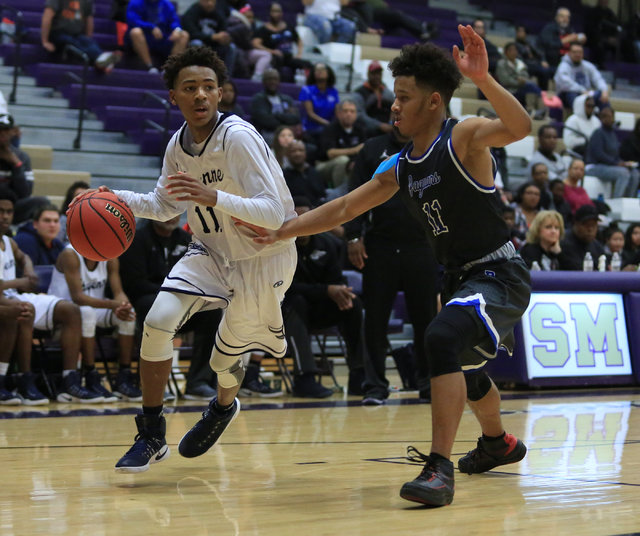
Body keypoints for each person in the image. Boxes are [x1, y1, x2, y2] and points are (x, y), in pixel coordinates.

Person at [235, 26, 532, 507]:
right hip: (457, 276)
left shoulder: (464, 138)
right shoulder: (399, 165)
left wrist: (485, 79)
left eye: (404, 97)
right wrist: (283, 230)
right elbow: (344, 208)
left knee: (438, 340)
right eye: (394, 97)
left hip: (499, 272)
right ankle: (498, 442)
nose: (394, 106)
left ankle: (439, 469)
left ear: (433, 102)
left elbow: (520, 128)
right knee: (468, 372)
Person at [106, 46, 296, 473]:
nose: (200, 95)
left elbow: (275, 214)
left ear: (221, 93)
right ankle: (152, 432)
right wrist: (111, 197)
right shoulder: (177, 146)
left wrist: (215, 197)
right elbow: (163, 205)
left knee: (222, 361)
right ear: (173, 96)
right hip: (209, 250)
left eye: (209, 87)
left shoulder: (239, 137)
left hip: (263, 258)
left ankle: (224, 407)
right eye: (189, 88)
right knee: (156, 321)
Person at [346, 126, 438, 404]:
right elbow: (354, 194)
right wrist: (353, 235)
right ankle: (375, 386)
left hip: (421, 246)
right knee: (374, 319)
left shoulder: (431, 147)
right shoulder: (373, 148)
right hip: (380, 245)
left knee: (426, 319)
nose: (399, 114)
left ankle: (428, 383)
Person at [0, 187, 89, 403]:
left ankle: (70, 380)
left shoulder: (9, 241)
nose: (5, 216)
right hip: (8, 297)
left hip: (11, 296)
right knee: (21, 310)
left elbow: (23, 258)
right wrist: (21, 281)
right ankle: (16, 379)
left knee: (71, 310)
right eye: (1, 211)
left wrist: (28, 269)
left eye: (9, 212)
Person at [118, 215, 220, 399]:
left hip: (180, 300)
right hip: (145, 300)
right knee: (155, 307)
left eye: (175, 214)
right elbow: (135, 284)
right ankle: (153, 385)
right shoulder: (137, 238)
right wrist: (170, 292)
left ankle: (198, 382)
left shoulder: (185, 239)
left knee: (211, 311)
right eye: (166, 212)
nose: (171, 218)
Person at [283, 196, 366, 397]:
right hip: (286, 313)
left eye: (306, 218)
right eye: (296, 220)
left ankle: (360, 375)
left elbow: (337, 281)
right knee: (295, 302)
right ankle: (305, 378)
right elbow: (285, 289)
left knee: (352, 303)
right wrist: (326, 290)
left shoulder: (328, 244)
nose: (301, 224)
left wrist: (340, 292)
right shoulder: (281, 247)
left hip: (319, 309)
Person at [49, 245, 142, 401]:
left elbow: (118, 292)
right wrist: (113, 305)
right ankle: (90, 374)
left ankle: (123, 377)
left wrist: (124, 306)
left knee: (128, 317)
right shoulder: (70, 254)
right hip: (63, 311)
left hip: (94, 307)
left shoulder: (110, 255)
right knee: (87, 312)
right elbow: (78, 297)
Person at [41, 0, 120, 72]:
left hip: (76, 34)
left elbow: (89, 21)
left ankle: (101, 58)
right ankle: (100, 60)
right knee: (70, 41)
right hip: (58, 33)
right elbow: (47, 17)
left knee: (89, 42)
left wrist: (88, 38)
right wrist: (45, 41)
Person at [0, 113, 48, 225]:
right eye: (0, 129)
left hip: (12, 208)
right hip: (7, 202)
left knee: (42, 203)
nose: (2, 134)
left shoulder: (22, 157)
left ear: (13, 132)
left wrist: (16, 165)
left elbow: (25, 193)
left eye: (6, 130)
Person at [316, 98, 367, 198]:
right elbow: (330, 153)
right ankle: (340, 196)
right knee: (343, 160)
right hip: (323, 165)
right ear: (338, 114)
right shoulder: (330, 128)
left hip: (350, 164)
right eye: (345, 111)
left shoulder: (360, 129)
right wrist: (354, 150)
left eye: (352, 111)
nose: (349, 114)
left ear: (356, 114)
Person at [586, 107, 640, 199]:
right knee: (623, 173)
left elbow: (616, 155)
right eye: (606, 117)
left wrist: (624, 163)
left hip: (609, 166)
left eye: (611, 117)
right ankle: (617, 200)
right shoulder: (598, 133)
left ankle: (629, 201)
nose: (610, 119)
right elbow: (599, 155)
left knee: (635, 174)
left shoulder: (612, 134)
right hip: (595, 166)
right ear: (601, 118)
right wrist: (616, 163)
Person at [252, 2, 312, 82]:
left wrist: (299, 54)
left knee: (307, 64)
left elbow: (299, 42)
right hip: (274, 58)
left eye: (278, 11)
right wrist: (271, 51)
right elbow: (255, 43)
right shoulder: (264, 29)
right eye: (274, 11)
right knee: (278, 60)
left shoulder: (289, 27)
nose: (277, 14)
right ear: (269, 13)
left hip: (288, 57)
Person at [126, 0, 189, 72]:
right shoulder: (135, 2)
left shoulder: (166, 3)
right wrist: (151, 27)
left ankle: (170, 69)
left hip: (164, 38)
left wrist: (177, 29)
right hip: (146, 37)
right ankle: (150, 67)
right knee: (135, 32)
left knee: (184, 34)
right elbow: (133, 20)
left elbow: (174, 19)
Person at [181, 0, 236, 75]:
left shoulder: (219, 12)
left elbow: (224, 30)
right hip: (198, 43)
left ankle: (225, 77)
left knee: (231, 47)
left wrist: (225, 38)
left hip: (214, 45)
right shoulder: (192, 12)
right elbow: (192, 33)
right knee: (196, 43)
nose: (209, 3)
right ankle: (197, 74)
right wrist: (212, 37)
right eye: (206, 1)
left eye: (212, 1)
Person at [250, 68, 302, 146]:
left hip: (287, 133)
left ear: (279, 81)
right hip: (266, 135)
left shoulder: (287, 99)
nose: (273, 82)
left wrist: (277, 116)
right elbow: (265, 121)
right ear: (264, 81)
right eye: (269, 79)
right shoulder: (258, 99)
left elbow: (295, 118)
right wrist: (285, 119)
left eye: (275, 79)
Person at [495, 42, 546, 119]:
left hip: (521, 88)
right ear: (506, 52)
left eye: (515, 50)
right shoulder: (501, 64)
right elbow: (505, 80)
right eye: (511, 50)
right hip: (509, 90)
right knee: (531, 87)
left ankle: (535, 110)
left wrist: (522, 79)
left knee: (532, 87)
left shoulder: (520, 63)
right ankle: (535, 110)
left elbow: (525, 75)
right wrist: (518, 81)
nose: (514, 52)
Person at [554, 42, 609, 111]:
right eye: (575, 52)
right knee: (571, 93)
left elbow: (598, 79)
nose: (578, 54)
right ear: (569, 53)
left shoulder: (587, 65)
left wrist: (604, 90)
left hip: (586, 94)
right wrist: (582, 90)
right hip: (567, 96)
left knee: (601, 94)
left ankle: (607, 120)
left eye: (580, 52)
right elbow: (566, 85)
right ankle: (581, 118)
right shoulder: (563, 66)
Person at [352, 61, 395, 137]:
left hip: (387, 131)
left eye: (379, 74)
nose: (377, 76)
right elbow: (359, 115)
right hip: (366, 132)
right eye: (374, 73)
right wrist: (379, 125)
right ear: (368, 74)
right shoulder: (359, 93)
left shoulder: (387, 93)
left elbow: (393, 109)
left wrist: (390, 124)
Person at [560, 203, 605, 270]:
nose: (590, 229)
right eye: (586, 225)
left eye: (593, 225)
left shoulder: (597, 246)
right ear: (576, 224)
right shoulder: (564, 244)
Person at [298, 63, 339, 136]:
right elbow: (310, 114)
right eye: (317, 70)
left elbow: (337, 112)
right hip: (312, 128)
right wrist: (328, 124)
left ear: (328, 73)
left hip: (329, 126)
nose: (319, 71)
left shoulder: (333, 91)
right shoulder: (307, 90)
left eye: (322, 69)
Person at [283, 140, 326, 206]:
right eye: (293, 151)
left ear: (305, 153)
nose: (298, 153)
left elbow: (322, 195)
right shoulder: (283, 176)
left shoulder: (314, 172)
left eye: (300, 150)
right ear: (287, 154)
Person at [514, 25, 553, 90]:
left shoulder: (529, 43)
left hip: (536, 63)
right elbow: (520, 60)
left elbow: (540, 53)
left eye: (522, 31)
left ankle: (544, 92)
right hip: (527, 65)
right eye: (518, 32)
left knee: (549, 70)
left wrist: (543, 61)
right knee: (543, 71)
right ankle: (543, 92)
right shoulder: (515, 45)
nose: (520, 33)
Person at [511, 182, 541, 249]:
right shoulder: (512, 210)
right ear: (521, 195)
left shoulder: (541, 215)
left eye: (537, 194)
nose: (533, 197)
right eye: (529, 193)